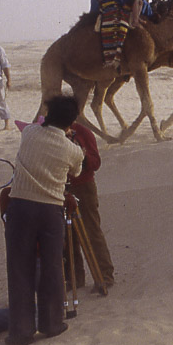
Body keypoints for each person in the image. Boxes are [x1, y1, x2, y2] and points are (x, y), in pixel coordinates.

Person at [3, 95, 85, 345]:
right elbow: (77, 170)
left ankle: (21, 331)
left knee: (19, 268)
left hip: (21, 206)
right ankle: (51, 323)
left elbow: (33, 129)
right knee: (51, 268)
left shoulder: (29, 133)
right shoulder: (73, 150)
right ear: (71, 122)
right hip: (50, 210)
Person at [65, 121, 115, 292]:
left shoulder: (83, 133)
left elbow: (95, 162)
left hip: (83, 186)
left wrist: (80, 154)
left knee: (90, 230)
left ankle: (104, 275)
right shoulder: (51, 133)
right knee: (67, 235)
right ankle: (74, 279)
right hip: (60, 187)